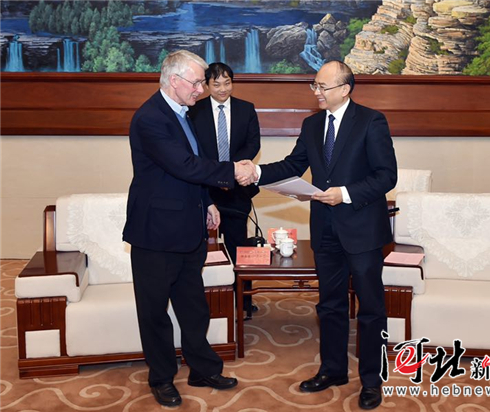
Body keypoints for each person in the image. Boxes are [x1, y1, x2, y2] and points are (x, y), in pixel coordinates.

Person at [252, 61, 397, 410]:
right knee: (330, 305)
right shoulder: (312, 124)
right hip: (325, 229)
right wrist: (255, 172)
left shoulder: (371, 121)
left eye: (322, 86)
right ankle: (333, 370)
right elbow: (292, 165)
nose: (316, 91)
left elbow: (386, 175)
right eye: (314, 85)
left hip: (362, 230)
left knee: (370, 309)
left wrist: (344, 193)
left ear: (344, 89)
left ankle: (372, 380)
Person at [122, 50, 256, 408]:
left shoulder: (184, 113)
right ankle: (161, 378)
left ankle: (202, 368)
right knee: (154, 312)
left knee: (193, 306)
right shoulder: (151, 118)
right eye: (197, 82)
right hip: (156, 233)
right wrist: (233, 172)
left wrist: (207, 202)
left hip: (188, 227)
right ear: (174, 80)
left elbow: (190, 170)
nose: (202, 89)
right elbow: (184, 165)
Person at [189, 62, 261, 317]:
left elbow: (253, 144)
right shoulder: (194, 111)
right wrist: (215, 171)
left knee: (238, 245)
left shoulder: (246, 109)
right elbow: (192, 149)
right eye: (216, 84)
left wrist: (232, 169)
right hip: (203, 188)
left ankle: (243, 301)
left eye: (227, 83)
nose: (222, 89)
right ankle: (204, 299)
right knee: (200, 245)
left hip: (236, 187)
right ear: (207, 85)